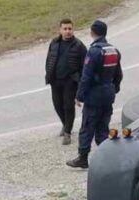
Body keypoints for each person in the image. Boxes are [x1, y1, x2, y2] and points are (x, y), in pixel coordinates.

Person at [66, 19, 123, 169]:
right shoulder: (114, 50)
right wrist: (113, 88)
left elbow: (86, 77)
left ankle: (83, 158)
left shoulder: (94, 51)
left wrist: (79, 95)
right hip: (108, 95)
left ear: (92, 32)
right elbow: (119, 75)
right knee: (103, 127)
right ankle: (107, 158)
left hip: (94, 96)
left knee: (87, 127)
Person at [45, 18, 87, 146]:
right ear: (60, 30)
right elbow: (49, 60)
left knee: (68, 107)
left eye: (70, 29)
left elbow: (85, 67)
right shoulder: (54, 43)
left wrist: (80, 82)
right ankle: (65, 124)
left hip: (70, 81)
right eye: (65, 29)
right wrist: (49, 74)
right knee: (58, 106)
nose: (68, 31)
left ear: (73, 30)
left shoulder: (79, 46)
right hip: (55, 81)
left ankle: (67, 132)